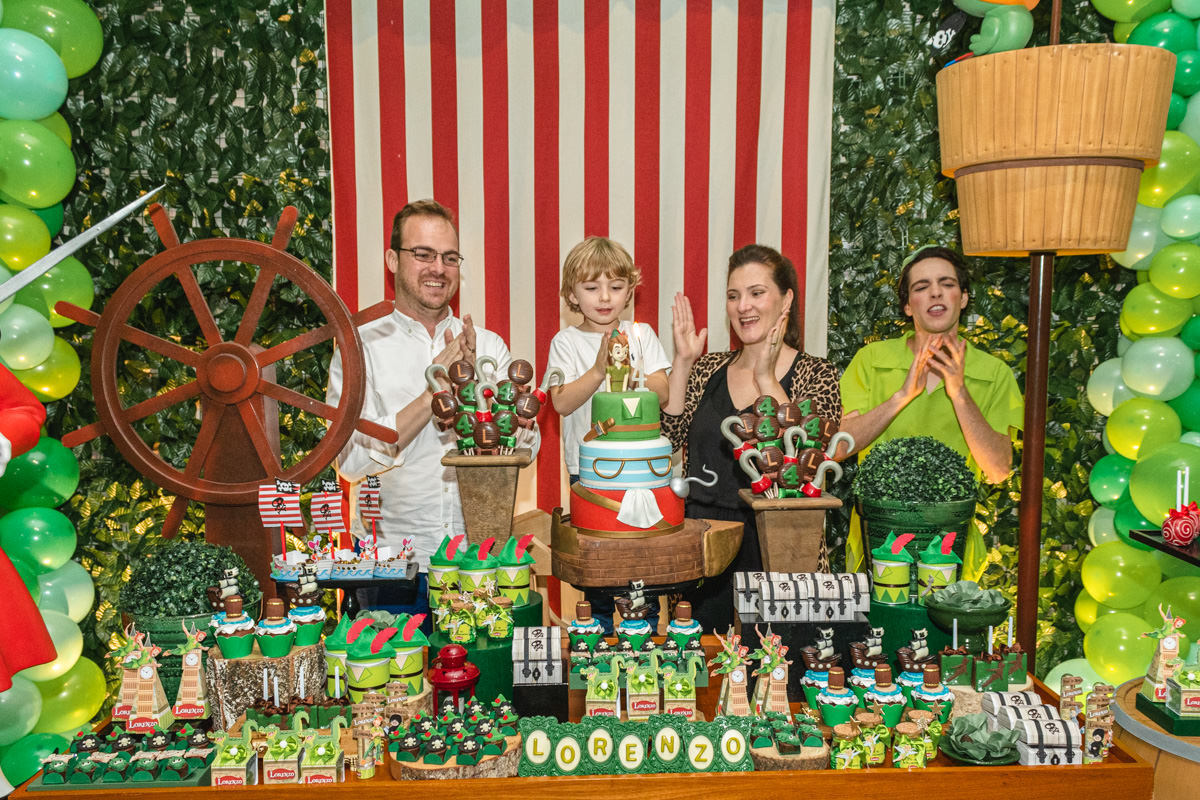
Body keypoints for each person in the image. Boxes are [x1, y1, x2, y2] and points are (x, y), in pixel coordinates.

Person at [326, 199, 537, 616]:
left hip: (478, 562)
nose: (437, 268)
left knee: (483, 679)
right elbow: (347, 461)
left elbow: (527, 450)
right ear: (392, 259)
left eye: (449, 257)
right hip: (390, 568)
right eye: (422, 254)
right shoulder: (360, 347)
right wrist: (433, 390)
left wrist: (505, 416)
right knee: (390, 679)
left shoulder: (488, 346)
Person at [664, 244, 842, 628]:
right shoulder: (708, 367)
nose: (743, 305)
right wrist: (682, 361)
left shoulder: (818, 373)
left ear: (786, 299)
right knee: (703, 673)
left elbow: (811, 459)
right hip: (704, 547)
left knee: (781, 674)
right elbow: (669, 438)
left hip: (780, 545)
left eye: (756, 293)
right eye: (733, 295)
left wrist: (766, 377)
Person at [838, 245, 1024, 578]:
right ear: (908, 306)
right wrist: (902, 396)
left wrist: (959, 392)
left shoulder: (994, 373)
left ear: (963, 298)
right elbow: (838, 448)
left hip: (951, 547)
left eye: (947, 283)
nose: (935, 291)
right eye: (921, 287)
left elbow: (998, 469)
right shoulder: (871, 361)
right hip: (877, 543)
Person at [545, 236, 671, 633]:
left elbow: (663, 393)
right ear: (571, 294)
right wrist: (600, 369)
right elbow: (561, 402)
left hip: (640, 469)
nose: (605, 297)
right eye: (591, 287)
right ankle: (597, 634)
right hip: (589, 470)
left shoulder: (642, 335)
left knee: (640, 560)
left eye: (616, 287)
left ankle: (644, 633)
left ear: (630, 291)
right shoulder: (564, 343)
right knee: (596, 562)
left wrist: (632, 368)